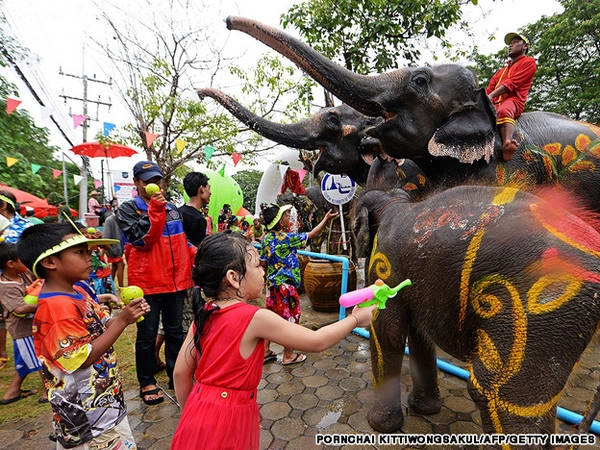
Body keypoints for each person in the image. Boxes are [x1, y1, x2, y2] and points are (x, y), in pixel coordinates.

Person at [171, 232, 375, 450]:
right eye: (258, 265)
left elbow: (180, 373)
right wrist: (355, 318)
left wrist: (193, 411)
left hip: (196, 413)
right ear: (233, 277)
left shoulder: (205, 313)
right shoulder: (255, 318)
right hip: (228, 421)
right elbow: (317, 341)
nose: (263, 271)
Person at [16, 222, 148, 449]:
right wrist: (123, 321)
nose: (90, 258)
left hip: (103, 406)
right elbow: (82, 357)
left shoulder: (76, 291)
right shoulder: (57, 308)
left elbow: (102, 327)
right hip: (89, 419)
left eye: (89, 251)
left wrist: (124, 316)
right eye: (80, 252)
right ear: (50, 262)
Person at [116, 160, 195, 405]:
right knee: (147, 334)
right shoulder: (128, 210)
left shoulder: (172, 208)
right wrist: (155, 210)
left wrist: (197, 253)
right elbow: (142, 241)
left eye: (156, 180)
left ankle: (176, 375)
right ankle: (146, 380)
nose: (153, 184)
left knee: (175, 332)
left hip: (176, 282)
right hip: (147, 284)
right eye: (147, 180)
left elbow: (182, 240)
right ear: (136, 182)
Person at [260, 203, 338, 365]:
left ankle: (266, 351)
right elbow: (312, 234)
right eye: (286, 215)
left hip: (272, 285)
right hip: (286, 287)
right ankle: (288, 355)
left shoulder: (265, 239)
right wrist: (325, 219)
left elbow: (263, 263)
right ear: (279, 221)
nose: (289, 216)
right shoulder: (287, 238)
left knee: (271, 318)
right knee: (291, 320)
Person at [0, 241, 47, 404]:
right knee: (39, 360)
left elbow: (38, 281)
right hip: (22, 331)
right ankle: (47, 392)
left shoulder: (23, 274)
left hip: (33, 326)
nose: (25, 262)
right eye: (22, 259)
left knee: (24, 361)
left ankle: (11, 393)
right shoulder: (5, 286)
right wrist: (44, 303)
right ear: (11, 264)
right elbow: (19, 309)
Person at [486, 31, 537, 162]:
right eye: (510, 43)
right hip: (495, 103)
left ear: (525, 46)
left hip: (514, 101)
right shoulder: (501, 71)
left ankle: (507, 143)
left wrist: (490, 96)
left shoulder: (529, 62)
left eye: (515, 42)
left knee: (504, 110)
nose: (510, 45)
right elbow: (489, 88)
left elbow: (511, 84)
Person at [0, 190, 33, 370]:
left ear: (3, 205)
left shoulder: (25, 227)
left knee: (19, 321)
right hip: (4, 282)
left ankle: (24, 365)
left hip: (20, 283)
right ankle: (3, 355)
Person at [178, 172, 212, 248]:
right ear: (202, 189)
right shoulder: (198, 219)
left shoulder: (178, 211)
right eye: (209, 188)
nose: (210, 193)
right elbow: (198, 250)